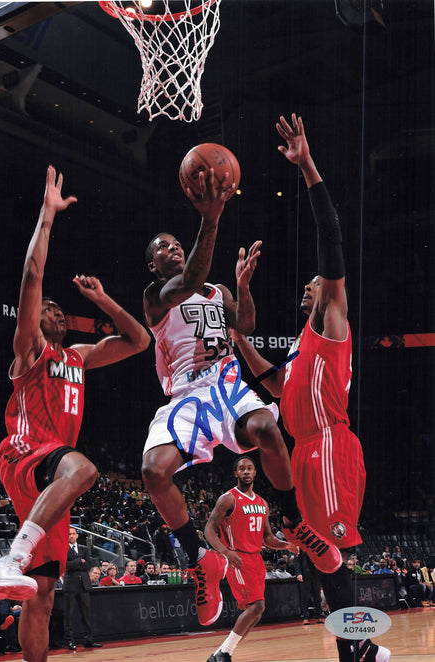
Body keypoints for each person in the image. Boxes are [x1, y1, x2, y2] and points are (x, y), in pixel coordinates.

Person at [141, 165, 340, 627]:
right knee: (153, 471)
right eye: (163, 248)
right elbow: (189, 280)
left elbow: (245, 325)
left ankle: (292, 518)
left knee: (268, 428)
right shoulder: (156, 295)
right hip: (186, 394)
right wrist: (210, 218)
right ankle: (200, 559)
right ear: (153, 266)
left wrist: (244, 287)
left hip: (226, 383)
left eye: (176, 243)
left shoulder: (218, 291)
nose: (173, 248)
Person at [231, 114, 391, 662]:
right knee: (318, 556)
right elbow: (276, 383)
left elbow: (331, 238)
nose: (309, 284)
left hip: (328, 445)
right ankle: (361, 648)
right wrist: (238, 336)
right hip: (303, 450)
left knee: (332, 551)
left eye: (315, 281)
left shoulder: (332, 319)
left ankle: (358, 651)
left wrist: (306, 167)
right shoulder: (303, 345)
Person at [0, 166, 149, 662]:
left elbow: (139, 340)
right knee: (85, 469)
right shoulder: (30, 349)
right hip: (26, 453)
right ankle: (11, 558)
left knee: (42, 594)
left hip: (51, 477)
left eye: (58, 308)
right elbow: (33, 275)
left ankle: (21, 582)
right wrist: (47, 216)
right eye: (45, 308)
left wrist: (103, 300)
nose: (52, 310)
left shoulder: (79, 356)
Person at [203, 455, 299, 662]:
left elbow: (267, 538)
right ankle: (223, 653)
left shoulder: (262, 503)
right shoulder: (228, 498)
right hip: (237, 558)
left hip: (256, 560)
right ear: (235, 473)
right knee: (256, 606)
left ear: (255, 472)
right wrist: (226, 552)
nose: (246, 471)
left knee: (257, 611)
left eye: (249, 468)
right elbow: (208, 530)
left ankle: (221, 653)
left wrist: (286, 545)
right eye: (242, 468)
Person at [62, 526, 101, 650]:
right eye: (69, 534)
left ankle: (88, 640)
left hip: (84, 585)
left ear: (77, 535)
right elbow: (65, 566)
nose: (71, 536)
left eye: (73, 533)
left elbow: (88, 565)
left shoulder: (84, 548)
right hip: (70, 585)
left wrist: (75, 564)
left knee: (86, 614)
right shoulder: (63, 549)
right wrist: (79, 561)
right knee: (69, 615)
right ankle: (69, 641)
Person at [293, 551, 324, 625]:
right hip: (304, 574)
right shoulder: (299, 547)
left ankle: (319, 616)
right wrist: (298, 573)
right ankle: (305, 617)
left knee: (317, 596)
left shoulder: (314, 547)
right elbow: (296, 561)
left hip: (315, 573)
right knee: (304, 597)